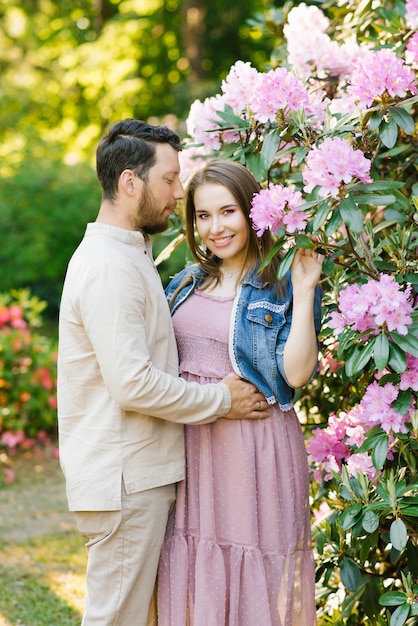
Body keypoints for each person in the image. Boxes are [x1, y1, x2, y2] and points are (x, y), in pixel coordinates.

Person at [57, 120, 270, 626]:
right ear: (130, 183)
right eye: (169, 180)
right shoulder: (110, 267)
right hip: (124, 481)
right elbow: (132, 383)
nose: (179, 193)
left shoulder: (127, 255)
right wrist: (223, 400)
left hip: (136, 476)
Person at [157, 159, 323, 626]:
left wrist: (306, 290)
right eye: (203, 216)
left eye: (227, 212)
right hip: (192, 447)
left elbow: (295, 375)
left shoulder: (280, 284)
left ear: (252, 213)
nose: (215, 227)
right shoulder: (185, 282)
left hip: (253, 448)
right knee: (193, 566)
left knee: (254, 569)